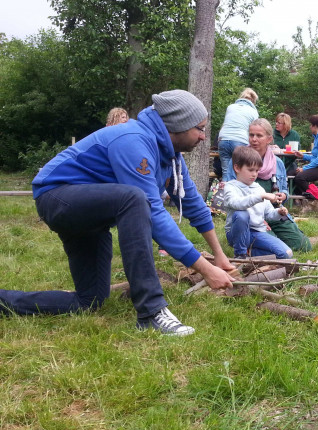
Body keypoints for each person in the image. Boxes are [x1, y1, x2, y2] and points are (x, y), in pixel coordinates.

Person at [0, 89, 235, 335]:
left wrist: (219, 256)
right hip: (57, 197)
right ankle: (151, 312)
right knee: (135, 198)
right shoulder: (133, 140)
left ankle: (5, 302)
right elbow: (153, 211)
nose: (203, 136)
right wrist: (206, 270)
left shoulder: (171, 157)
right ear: (178, 125)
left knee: (89, 300)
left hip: (91, 215)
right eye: (199, 128)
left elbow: (194, 205)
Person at [248, 118, 312, 251]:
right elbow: (233, 195)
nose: (254, 139)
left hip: (274, 212)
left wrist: (284, 195)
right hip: (250, 216)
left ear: (269, 139)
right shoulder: (240, 159)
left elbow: (284, 190)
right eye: (251, 135)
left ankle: (274, 237)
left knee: (304, 246)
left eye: (259, 135)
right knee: (271, 247)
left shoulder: (277, 163)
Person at [223, 146, 293, 259]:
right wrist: (261, 196)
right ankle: (240, 254)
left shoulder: (258, 188)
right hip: (236, 233)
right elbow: (236, 204)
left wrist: (279, 213)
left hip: (257, 232)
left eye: (256, 170)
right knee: (241, 214)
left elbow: (269, 214)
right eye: (250, 170)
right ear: (237, 168)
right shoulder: (230, 186)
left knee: (286, 253)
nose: (254, 174)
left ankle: (250, 253)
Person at [217, 88, 259, 182]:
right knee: (240, 172)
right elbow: (254, 129)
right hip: (240, 140)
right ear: (253, 101)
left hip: (223, 139)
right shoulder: (253, 111)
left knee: (226, 172)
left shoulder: (230, 107)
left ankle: (224, 194)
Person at [292, 114, 318, 194]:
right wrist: (303, 156)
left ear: (315, 126)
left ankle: (315, 196)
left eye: (311, 125)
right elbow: (315, 157)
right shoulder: (317, 138)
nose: (310, 127)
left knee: (300, 177)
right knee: (295, 174)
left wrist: (304, 168)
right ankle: (304, 198)